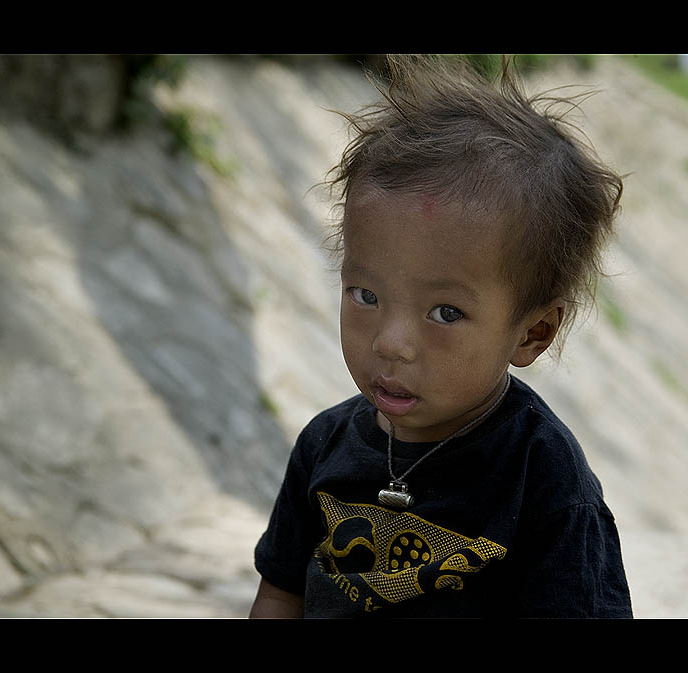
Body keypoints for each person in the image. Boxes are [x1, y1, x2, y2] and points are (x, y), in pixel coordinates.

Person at [250, 55, 632, 618]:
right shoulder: (324, 445)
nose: (391, 343)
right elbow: (281, 592)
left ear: (533, 333)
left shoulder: (543, 477)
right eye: (366, 295)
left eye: (445, 312)